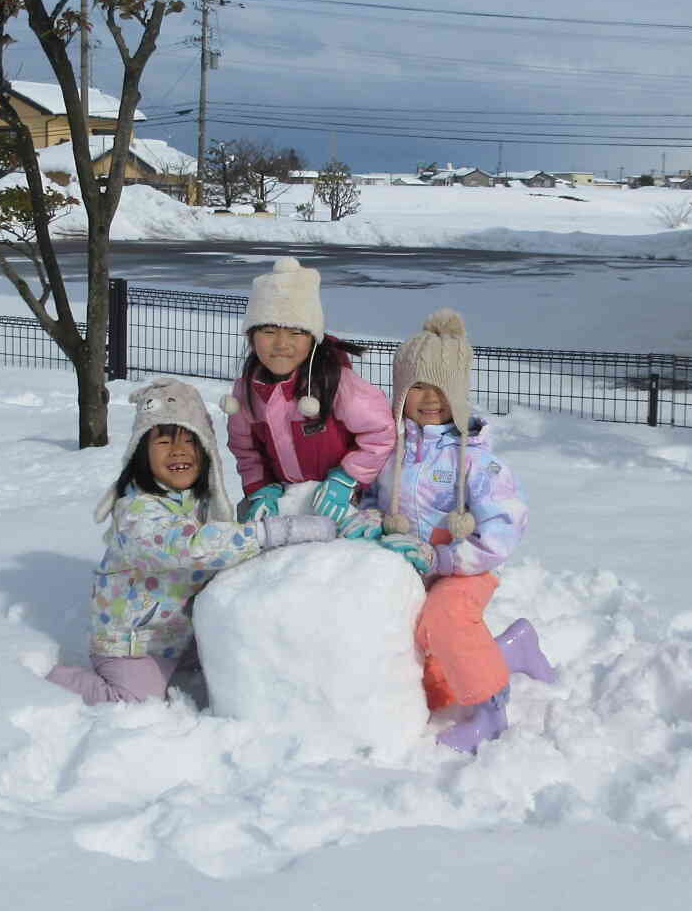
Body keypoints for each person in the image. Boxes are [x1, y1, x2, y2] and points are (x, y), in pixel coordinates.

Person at [51, 377, 338, 706]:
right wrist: (271, 532)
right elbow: (188, 546)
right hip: (133, 643)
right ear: (140, 453)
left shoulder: (199, 502)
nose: (178, 450)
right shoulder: (136, 510)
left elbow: (223, 545)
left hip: (179, 637)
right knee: (134, 699)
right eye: (163, 442)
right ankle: (52, 679)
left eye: (190, 441)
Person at [372, 308, 553, 753]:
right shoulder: (389, 455)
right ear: (400, 393)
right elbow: (370, 503)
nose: (431, 398)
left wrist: (450, 558)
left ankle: (491, 713)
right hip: (418, 570)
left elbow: (507, 523)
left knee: (446, 615)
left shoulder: (473, 460)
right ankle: (514, 648)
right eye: (418, 387)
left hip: (467, 567)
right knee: (437, 686)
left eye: (442, 388)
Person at [221, 256, 395, 527]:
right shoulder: (246, 393)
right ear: (251, 337)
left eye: (295, 333)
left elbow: (380, 431)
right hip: (287, 501)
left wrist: (348, 477)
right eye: (268, 331)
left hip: (345, 502)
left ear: (313, 339)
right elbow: (246, 451)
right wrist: (260, 488)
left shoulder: (335, 383)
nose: (281, 344)